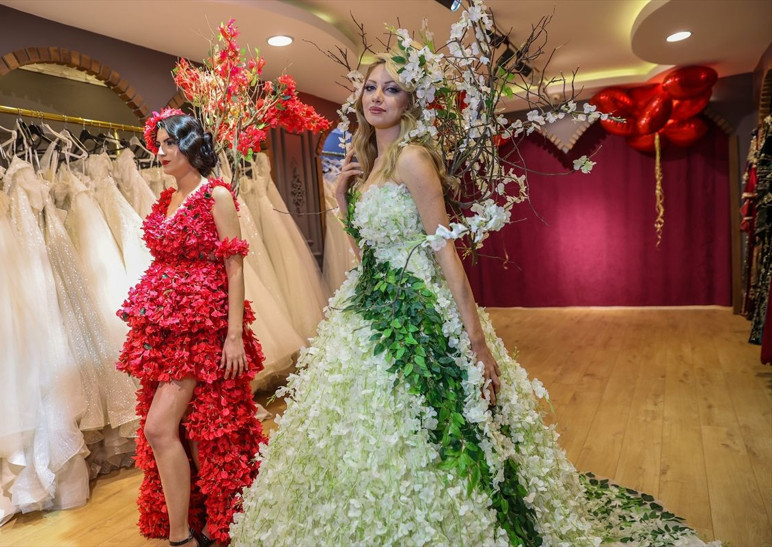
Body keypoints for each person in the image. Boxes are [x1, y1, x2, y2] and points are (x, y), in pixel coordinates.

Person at [228, 56, 715, 546]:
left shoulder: (414, 160)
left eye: (391, 88)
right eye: (370, 87)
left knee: (431, 424)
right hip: (371, 305)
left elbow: (444, 248)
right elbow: (363, 253)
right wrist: (340, 193)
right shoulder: (372, 166)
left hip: (420, 307)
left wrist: (476, 341)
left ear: (409, 101)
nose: (377, 97)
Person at [116, 111, 265, 547]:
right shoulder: (168, 199)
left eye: (168, 144)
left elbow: (234, 264)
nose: (159, 151)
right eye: (158, 144)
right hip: (166, 327)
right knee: (192, 429)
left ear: (190, 145)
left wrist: (233, 334)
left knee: (163, 428)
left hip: (202, 327)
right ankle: (200, 527)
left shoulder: (215, 193)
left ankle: (184, 536)